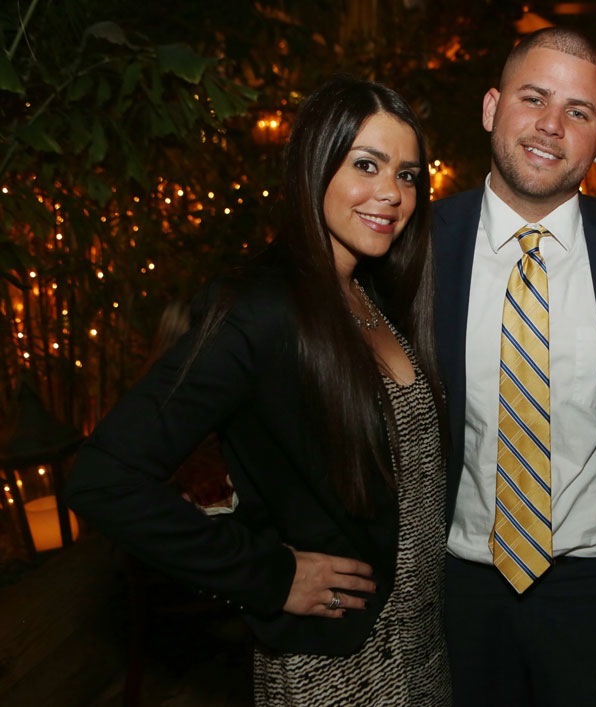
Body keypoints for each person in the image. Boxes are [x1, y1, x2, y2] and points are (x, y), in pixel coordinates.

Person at [65, 76, 450, 705]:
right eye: (366, 165)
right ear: (312, 168)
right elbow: (103, 479)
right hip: (337, 667)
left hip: (426, 647)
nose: (392, 194)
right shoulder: (256, 311)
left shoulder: (378, 296)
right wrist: (268, 576)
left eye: (407, 175)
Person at [432, 26, 596, 706]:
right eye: (533, 98)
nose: (552, 126)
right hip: (457, 585)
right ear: (492, 108)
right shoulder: (417, 246)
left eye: (578, 111)